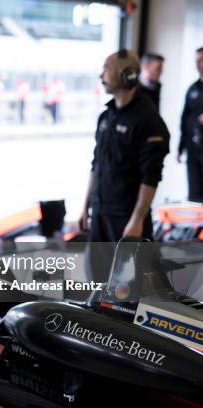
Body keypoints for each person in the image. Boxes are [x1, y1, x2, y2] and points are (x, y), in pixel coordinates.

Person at [78, 49, 169, 283]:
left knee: (129, 291)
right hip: (100, 213)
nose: (101, 75)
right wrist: (85, 206)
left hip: (127, 219)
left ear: (127, 75)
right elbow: (96, 164)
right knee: (96, 284)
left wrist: (137, 220)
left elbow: (151, 176)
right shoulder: (106, 117)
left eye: (106, 69)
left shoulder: (148, 120)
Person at [178, 47, 203, 202]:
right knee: (194, 196)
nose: (198, 64)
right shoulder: (192, 89)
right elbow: (184, 119)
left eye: (201, 60)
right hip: (193, 151)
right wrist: (180, 147)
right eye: (197, 61)